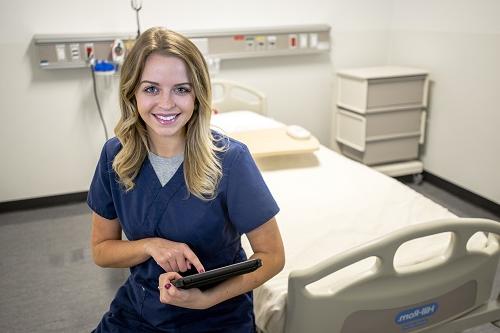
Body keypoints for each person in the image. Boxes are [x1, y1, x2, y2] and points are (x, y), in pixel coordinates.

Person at [87, 26, 285, 333]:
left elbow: (272, 256)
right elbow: (101, 249)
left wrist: (208, 298)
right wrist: (151, 246)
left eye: (181, 89)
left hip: (217, 317)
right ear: (132, 94)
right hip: (139, 313)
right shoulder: (116, 156)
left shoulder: (230, 160)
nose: (166, 103)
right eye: (151, 88)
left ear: (197, 95)